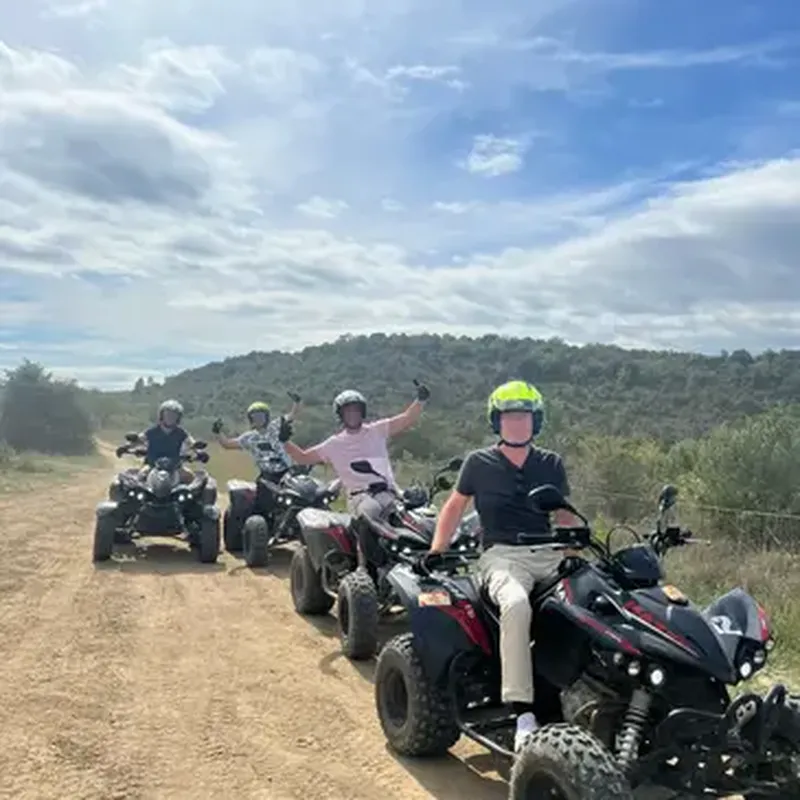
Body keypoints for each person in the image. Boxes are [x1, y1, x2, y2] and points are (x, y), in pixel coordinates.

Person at [427, 380, 578, 753]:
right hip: (502, 555)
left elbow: (563, 514)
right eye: (510, 417)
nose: (517, 423)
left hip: (549, 552)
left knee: (590, 605)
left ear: (536, 422)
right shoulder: (479, 463)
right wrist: (437, 548)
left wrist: (578, 545)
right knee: (515, 605)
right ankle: (523, 713)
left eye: (524, 416)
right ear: (497, 422)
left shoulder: (550, 463)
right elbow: (454, 506)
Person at [281, 383, 430, 518]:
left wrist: (420, 400)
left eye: (356, 410)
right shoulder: (333, 444)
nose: (352, 414)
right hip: (360, 497)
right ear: (340, 415)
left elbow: (406, 419)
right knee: (371, 515)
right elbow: (303, 457)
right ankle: (362, 549)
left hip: (389, 493)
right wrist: (285, 441)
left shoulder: (377, 430)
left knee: (417, 515)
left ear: (362, 412)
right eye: (348, 411)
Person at [211, 393, 301, 516]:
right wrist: (217, 433)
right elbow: (227, 444)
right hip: (267, 476)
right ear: (251, 419)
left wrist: (296, 402)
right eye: (255, 416)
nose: (258, 419)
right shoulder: (249, 437)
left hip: (287, 472)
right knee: (261, 505)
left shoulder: (275, 426)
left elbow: (292, 415)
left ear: (267, 417)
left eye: (261, 416)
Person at [135, 399, 196, 484]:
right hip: (152, 465)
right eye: (167, 414)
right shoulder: (152, 431)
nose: (170, 417)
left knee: (192, 478)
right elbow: (138, 439)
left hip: (175, 467)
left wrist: (199, 451)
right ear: (162, 415)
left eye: (173, 415)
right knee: (140, 476)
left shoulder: (181, 433)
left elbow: (192, 443)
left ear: (178, 418)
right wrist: (126, 447)